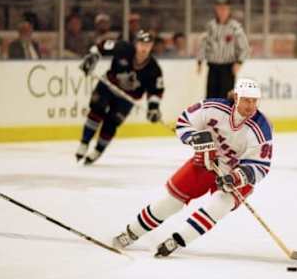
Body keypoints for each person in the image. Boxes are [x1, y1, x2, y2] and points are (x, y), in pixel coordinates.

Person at [112, 78, 272, 257]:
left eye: (254, 101)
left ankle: (177, 240)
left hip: (236, 173)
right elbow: (184, 121)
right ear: (236, 97)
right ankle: (131, 232)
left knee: (219, 205)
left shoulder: (261, 127)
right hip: (206, 161)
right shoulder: (214, 108)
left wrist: (236, 177)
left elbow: (260, 166)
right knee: (171, 201)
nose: (251, 106)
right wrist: (196, 139)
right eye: (246, 100)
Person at [75, 30, 165, 165]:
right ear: (136, 43)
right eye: (141, 43)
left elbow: (156, 91)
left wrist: (153, 108)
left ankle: (98, 150)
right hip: (108, 86)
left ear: (152, 46)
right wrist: (92, 57)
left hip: (127, 98)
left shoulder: (154, 69)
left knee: (112, 123)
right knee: (97, 109)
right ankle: (84, 143)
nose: (144, 48)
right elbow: (101, 46)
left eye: (147, 44)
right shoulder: (123, 48)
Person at [197, 0, 250, 99]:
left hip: (227, 68)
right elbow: (204, 44)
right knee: (211, 98)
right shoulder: (210, 26)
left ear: (229, 10)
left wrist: (239, 62)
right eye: (219, 8)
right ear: (216, 9)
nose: (222, 11)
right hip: (213, 67)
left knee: (226, 98)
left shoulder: (235, 27)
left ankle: (226, 115)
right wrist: (200, 60)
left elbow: (244, 47)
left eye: (224, 9)